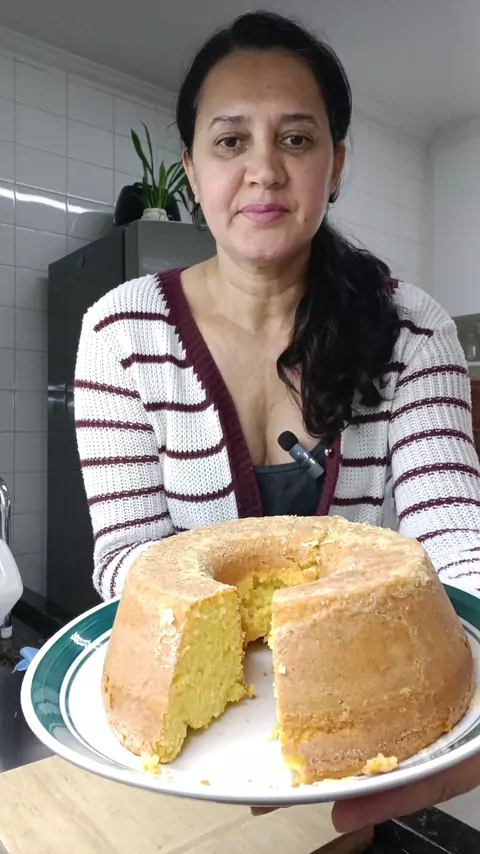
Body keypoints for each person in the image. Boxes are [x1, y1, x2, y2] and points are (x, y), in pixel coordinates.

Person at [75, 10, 480, 826]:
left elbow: (455, 542)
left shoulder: (414, 330)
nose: (263, 170)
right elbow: (126, 558)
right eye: (231, 141)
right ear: (191, 169)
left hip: (366, 732)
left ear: (336, 164)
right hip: (193, 752)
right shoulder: (121, 333)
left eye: (296, 139)